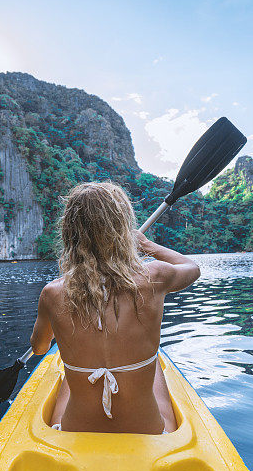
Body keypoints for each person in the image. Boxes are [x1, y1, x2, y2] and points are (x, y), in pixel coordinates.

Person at [30, 181, 200, 434]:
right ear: (123, 230)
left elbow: (39, 348)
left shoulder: (53, 293)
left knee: (68, 373)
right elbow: (192, 268)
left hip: (75, 430)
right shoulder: (155, 276)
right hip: (148, 430)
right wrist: (147, 245)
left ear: (69, 234)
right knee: (154, 368)